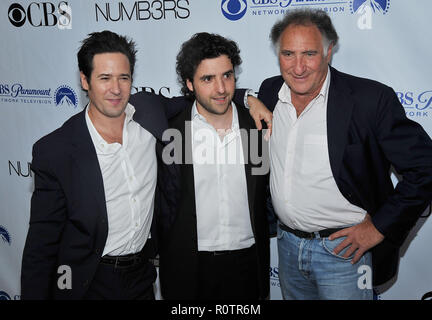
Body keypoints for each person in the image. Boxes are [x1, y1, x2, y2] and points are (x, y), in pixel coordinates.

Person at [20, 30, 271, 300]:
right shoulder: (56, 150)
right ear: (84, 80)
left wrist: (247, 98)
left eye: (123, 78)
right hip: (85, 280)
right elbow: (41, 247)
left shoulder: (149, 114)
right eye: (104, 78)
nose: (115, 88)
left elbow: (211, 96)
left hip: (141, 278)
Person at [257, 9, 432, 300]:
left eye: (309, 54)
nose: (298, 67)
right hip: (287, 246)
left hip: (344, 252)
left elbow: (426, 167)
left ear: (328, 51)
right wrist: (248, 98)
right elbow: (220, 95)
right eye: (288, 54)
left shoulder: (369, 99)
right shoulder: (270, 90)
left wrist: (379, 227)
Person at [158, 32, 270, 300]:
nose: (221, 88)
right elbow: (166, 204)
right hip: (189, 266)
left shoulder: (255, 127)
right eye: (208, 79)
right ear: (189, 83)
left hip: (247, 263)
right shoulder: (173, 133)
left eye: (227, 75)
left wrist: (249, 99)